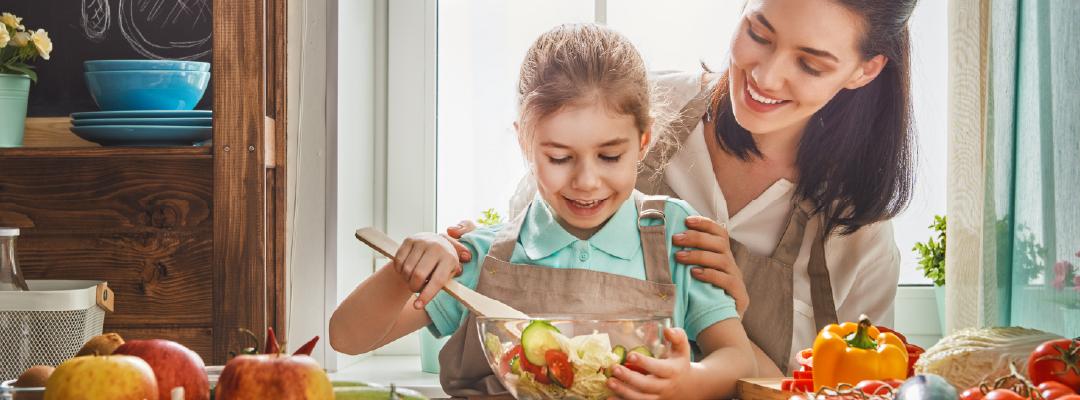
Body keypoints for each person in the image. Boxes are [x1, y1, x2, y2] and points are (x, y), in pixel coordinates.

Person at [447, 0, 918, 376]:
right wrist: (473, 256)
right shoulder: (633, 112)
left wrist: (726, 320)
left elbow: (849, 389)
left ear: (865, 70)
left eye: (810, 64)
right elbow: (524, 277)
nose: (766, 75)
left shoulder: (857, 231)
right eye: (758, 33)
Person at [329, 23, 756, 399]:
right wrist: (405, 271)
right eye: (558, 157)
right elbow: (346, 337)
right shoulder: (484, 257)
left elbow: (737, 358)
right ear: (525, 145)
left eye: (609, 156)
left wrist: (690, 383)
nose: (586, 181)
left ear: (643, 141)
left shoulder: (672, 236)